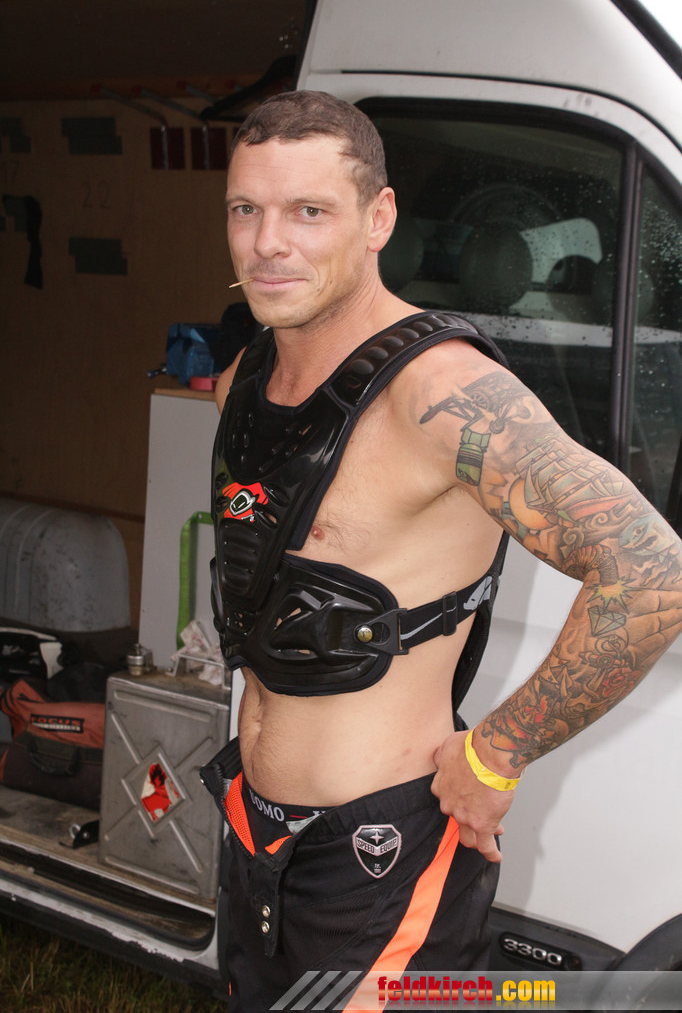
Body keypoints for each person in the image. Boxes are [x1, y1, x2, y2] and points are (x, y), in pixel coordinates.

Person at [201, 90, 682, 1011]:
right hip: (255, 833)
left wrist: (497, 752)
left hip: (380, 859)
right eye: (246, 209)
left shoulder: (440, 395)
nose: (268, 243)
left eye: (309, 212)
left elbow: (650, 571)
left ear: (379, 219)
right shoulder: (245, 383)